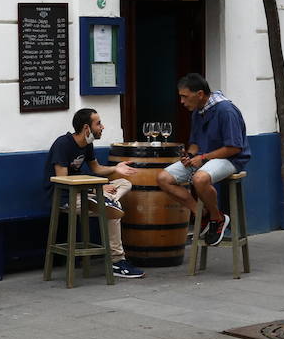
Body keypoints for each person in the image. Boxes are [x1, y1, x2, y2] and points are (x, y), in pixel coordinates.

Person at [43, 108, 145, 279]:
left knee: (124, 183)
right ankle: (117, 261)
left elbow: (97, 168)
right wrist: (95, 189)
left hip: (87, 194)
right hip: (66, 198)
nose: (102, 127)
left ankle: (105, 200)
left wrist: (116, 169)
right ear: (86, 128)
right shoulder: (63, 144)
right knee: (113, 210)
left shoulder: (87, 144)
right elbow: (63, 180)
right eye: (98, 124)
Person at [157, 73, 250, 248]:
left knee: (199, 179)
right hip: (205, 158)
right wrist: (189, 156)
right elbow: (195, 144)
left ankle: (217, 218)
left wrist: (202, 158)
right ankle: (201, 214)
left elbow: (234, 148)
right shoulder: (198, 111)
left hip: (231, 159)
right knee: (163, 179)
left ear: (200, 94)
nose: (182, 101)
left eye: (185, 96)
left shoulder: (226, 111)